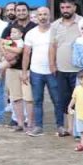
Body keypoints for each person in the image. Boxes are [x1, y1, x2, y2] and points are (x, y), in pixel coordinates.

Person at [50, 0, 83, 136]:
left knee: (81, 100)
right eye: (63, 7)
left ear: (74, 8)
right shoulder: (55, 25)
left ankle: (81, 130)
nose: (65, 10)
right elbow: (52, 46)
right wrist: (52, 65)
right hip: (61, 69)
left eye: (68, 7)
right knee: (64, 100)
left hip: (80, 70)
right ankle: (67, 128)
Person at [22, 7, 57, 136]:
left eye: (45, 14)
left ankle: (60, 126)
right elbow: (26, 53)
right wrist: (24, 72)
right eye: (40, 15)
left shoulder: (55, 31)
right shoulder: (31, 33)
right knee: (37, 100)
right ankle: (38, 126)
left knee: (57, 100)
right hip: (36, 71)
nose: (42, 17)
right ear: (36, 17)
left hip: (52, 71)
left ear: (50, 15)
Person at [0, 24, 30, 131]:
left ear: (21, 34)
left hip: (26, 70)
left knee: (28, 98)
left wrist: (7, 48)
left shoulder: (21, 41)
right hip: (12, 69)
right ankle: (20, 123)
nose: (13, 34)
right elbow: (1, 43)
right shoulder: (10, 35)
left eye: (15, 32)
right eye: (12, 33)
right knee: (15, 97)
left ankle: (29, 123)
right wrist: (5, 52)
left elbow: (19, 51)